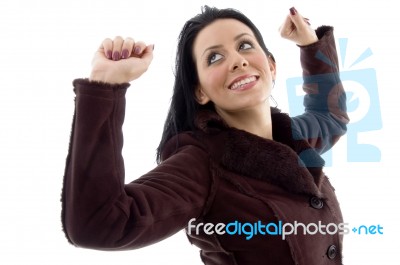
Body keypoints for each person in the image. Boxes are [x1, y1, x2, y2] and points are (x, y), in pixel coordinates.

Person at [61, 6, 349, 265]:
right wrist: (104, 84)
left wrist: (310, 45)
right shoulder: (201, 164)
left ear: (271, 66)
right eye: (214, 57)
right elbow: (99, 224)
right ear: (199, 91)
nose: (237, 61)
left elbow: (330, 117)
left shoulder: (292, 139)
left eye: (245, 45)